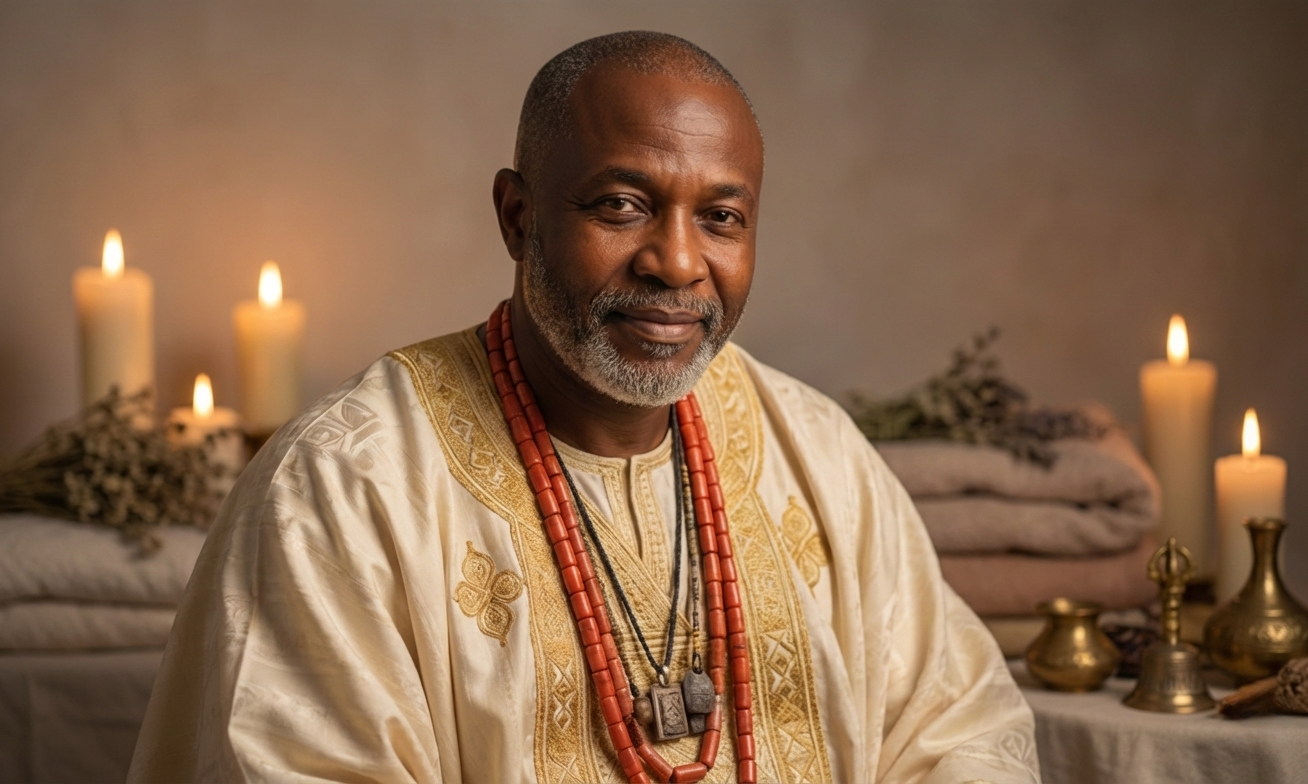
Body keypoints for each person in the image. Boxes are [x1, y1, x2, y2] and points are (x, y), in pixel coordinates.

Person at [130, 31, 1038, 784]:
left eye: (721, 217)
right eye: (622, 204)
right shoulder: (344, 488)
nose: (678, 263)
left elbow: (960, 734)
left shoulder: (818, 453)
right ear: (517, 217)